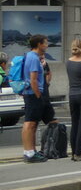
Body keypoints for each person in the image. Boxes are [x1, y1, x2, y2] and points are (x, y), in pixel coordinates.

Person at [20, 34, 63, 163]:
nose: (47, 45)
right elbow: (33, 79)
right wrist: (38, 95)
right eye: (45, 42)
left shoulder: (32, 56)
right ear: (39, 44)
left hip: (34, 94)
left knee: (36, 123)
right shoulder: (33, 58)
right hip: (33, 95)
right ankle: (28, 153)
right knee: (30, 123)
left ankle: (34, 151)